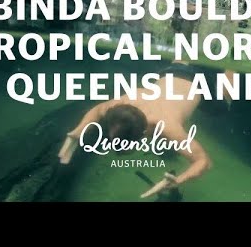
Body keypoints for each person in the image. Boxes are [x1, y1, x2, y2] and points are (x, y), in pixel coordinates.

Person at [58, 59, 235, 199]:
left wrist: (178, 181)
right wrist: (77, 132)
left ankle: (233, 60)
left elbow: (203, 161)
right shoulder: (120, 105)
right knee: (183, 59)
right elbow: (97, 111)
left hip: (200, 81)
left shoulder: (167, 126)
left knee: (223, 103)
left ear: (143, 134)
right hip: (175, 72)